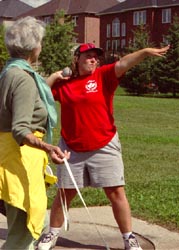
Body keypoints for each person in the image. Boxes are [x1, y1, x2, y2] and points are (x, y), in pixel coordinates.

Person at [38, 43, 170, 250]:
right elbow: (41, 95)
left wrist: (144, 53)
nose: (93, 60)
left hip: (104, 144)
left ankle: (129, 238)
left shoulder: (103, 75)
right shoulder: (65, 83)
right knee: (65, 193)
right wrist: (55, 76)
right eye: (88, 56)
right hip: (71, 147)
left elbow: (124, 63)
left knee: (116, 192)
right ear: (77, 59)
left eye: (95, 57)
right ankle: (52, 234)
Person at [0, 16, 70, 250]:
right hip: (21, 161)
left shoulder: (9, 72)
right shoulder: (23, 79)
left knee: (18, 231)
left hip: (10, 157)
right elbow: (21, 128)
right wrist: (48, 147)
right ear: (34, 48)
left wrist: (51, 80)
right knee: (23, 237)